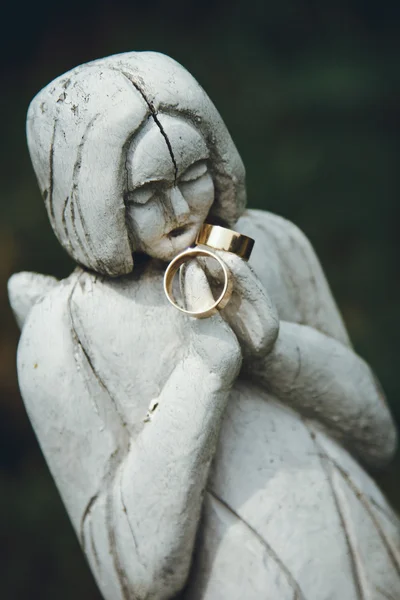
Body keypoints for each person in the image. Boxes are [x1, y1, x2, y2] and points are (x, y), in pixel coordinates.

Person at [8, 52, 400, 600]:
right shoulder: (65, 328)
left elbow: (377, 435)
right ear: (91, 196)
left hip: (366, 554)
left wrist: (274, 350)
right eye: (144, 194)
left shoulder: (273, 244)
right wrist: (203, 373)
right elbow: (135, 576)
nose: (179, 208)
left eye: (193, 175)